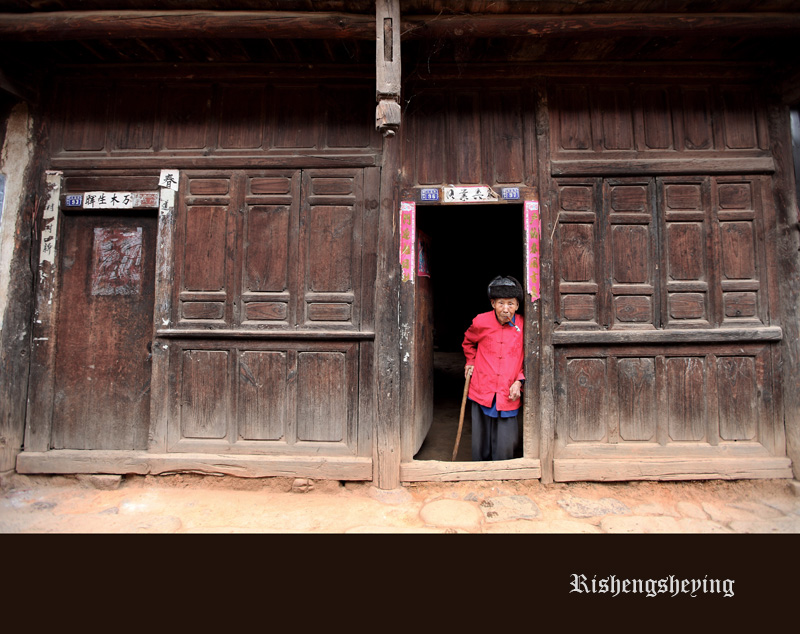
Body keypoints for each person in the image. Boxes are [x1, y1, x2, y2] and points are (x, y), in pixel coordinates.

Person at [462, 275, 524, 461]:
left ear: (517, 306)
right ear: (493, 304)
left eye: (511, 304)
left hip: (508, 387)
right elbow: (468, 342)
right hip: (484, 385)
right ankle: (480, 471)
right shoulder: (481, 322)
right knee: (481, 440)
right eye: (501, 303)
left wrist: (519, 381)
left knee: (505, 441)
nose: (506, 309)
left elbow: (530, 357)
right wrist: (470, 361)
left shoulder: (524, 324)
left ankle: (502, 472)